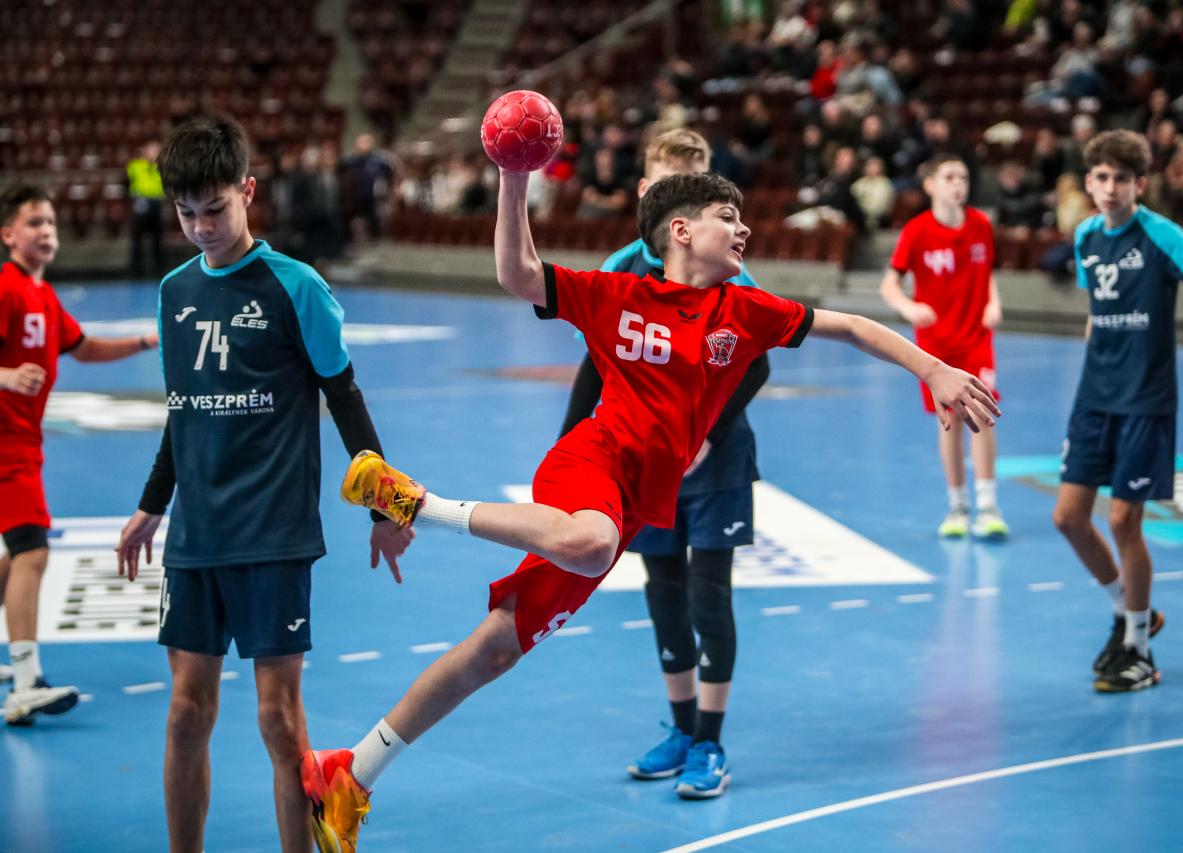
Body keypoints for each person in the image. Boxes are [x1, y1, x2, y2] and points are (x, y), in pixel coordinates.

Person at [300, 167, 999, 852]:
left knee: (496, 647)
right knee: (591, 544)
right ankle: (418, 503)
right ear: (681, 230)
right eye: (728, 217)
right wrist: (513, 178)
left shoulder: (745, 312)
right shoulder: (618, 295)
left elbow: (849, 327)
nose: (744, 229)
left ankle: (350, 772)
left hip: (633, 503)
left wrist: (932, 367)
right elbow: (519, 274)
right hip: (591, 465)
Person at [112, 116, 413, 853]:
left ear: (248, 192)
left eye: (215, 208)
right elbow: (183, 411)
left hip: (274, 533)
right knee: (186, 713)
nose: (201, 227)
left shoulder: (296, 286)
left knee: (279, 720)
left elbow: (345, 396)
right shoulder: (175, 291)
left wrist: (387, 507)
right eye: (187, 213)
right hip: (197, 535)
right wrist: (152, 505)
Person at [559, 128, 768, 799]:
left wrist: (706, 434)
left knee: (709, 594)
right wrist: (568, 454)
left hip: (712, 459)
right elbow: (596, 363)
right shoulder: (621, 270)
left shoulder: (730, 273)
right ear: (650, 192)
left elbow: (754, 363)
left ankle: (710, 740)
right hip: (648, 459)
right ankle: (680, 730)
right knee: (664, 593)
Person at [1054, 129, 1183, 693]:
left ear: (1139, 184)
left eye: (1122, 179)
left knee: (1123, 520)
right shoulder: (1086, 236)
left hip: (1145, 400)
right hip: (1094, 398)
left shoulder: (1159, 233)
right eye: (1101, 178)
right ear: (1089, 182)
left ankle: (1137, 649)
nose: (1110, 188)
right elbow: (1097, 307)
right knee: (1068, 518)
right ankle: (1131, 611)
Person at [0, 184, 159, 723]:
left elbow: (83, 347)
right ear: (8, 235)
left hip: (23, 441)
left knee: (16, 554)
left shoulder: (43, 296)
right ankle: (26, 685)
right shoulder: (7, 289)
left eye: (50, 222)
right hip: (5, 443)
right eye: (33, 223)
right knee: (32, 552)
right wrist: (6, 376)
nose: (46, 231)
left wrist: (143, 342)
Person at [880, 153, 1010, 540]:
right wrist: (908, 307)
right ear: (931, 185)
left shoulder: (981, 224)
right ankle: (957, 506)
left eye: (963, 177)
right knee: (950, 421)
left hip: (976, 338)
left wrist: (993, 302)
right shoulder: (917, 231)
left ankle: (988, 506)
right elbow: (889, 284)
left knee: (982, 414)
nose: (958, 184)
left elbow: (986, 273)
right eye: (950, 177)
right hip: (935, 347)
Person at [127, 140, 166, 276]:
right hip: (141, 205)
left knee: (157, 240)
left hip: (156, 205)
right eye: (151, 151)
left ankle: (159, 269)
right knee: (137, 239)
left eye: (156, 152)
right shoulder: (136, 166)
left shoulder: (161, 168)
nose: (153, 154)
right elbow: (127, 178)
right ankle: (135, 269)